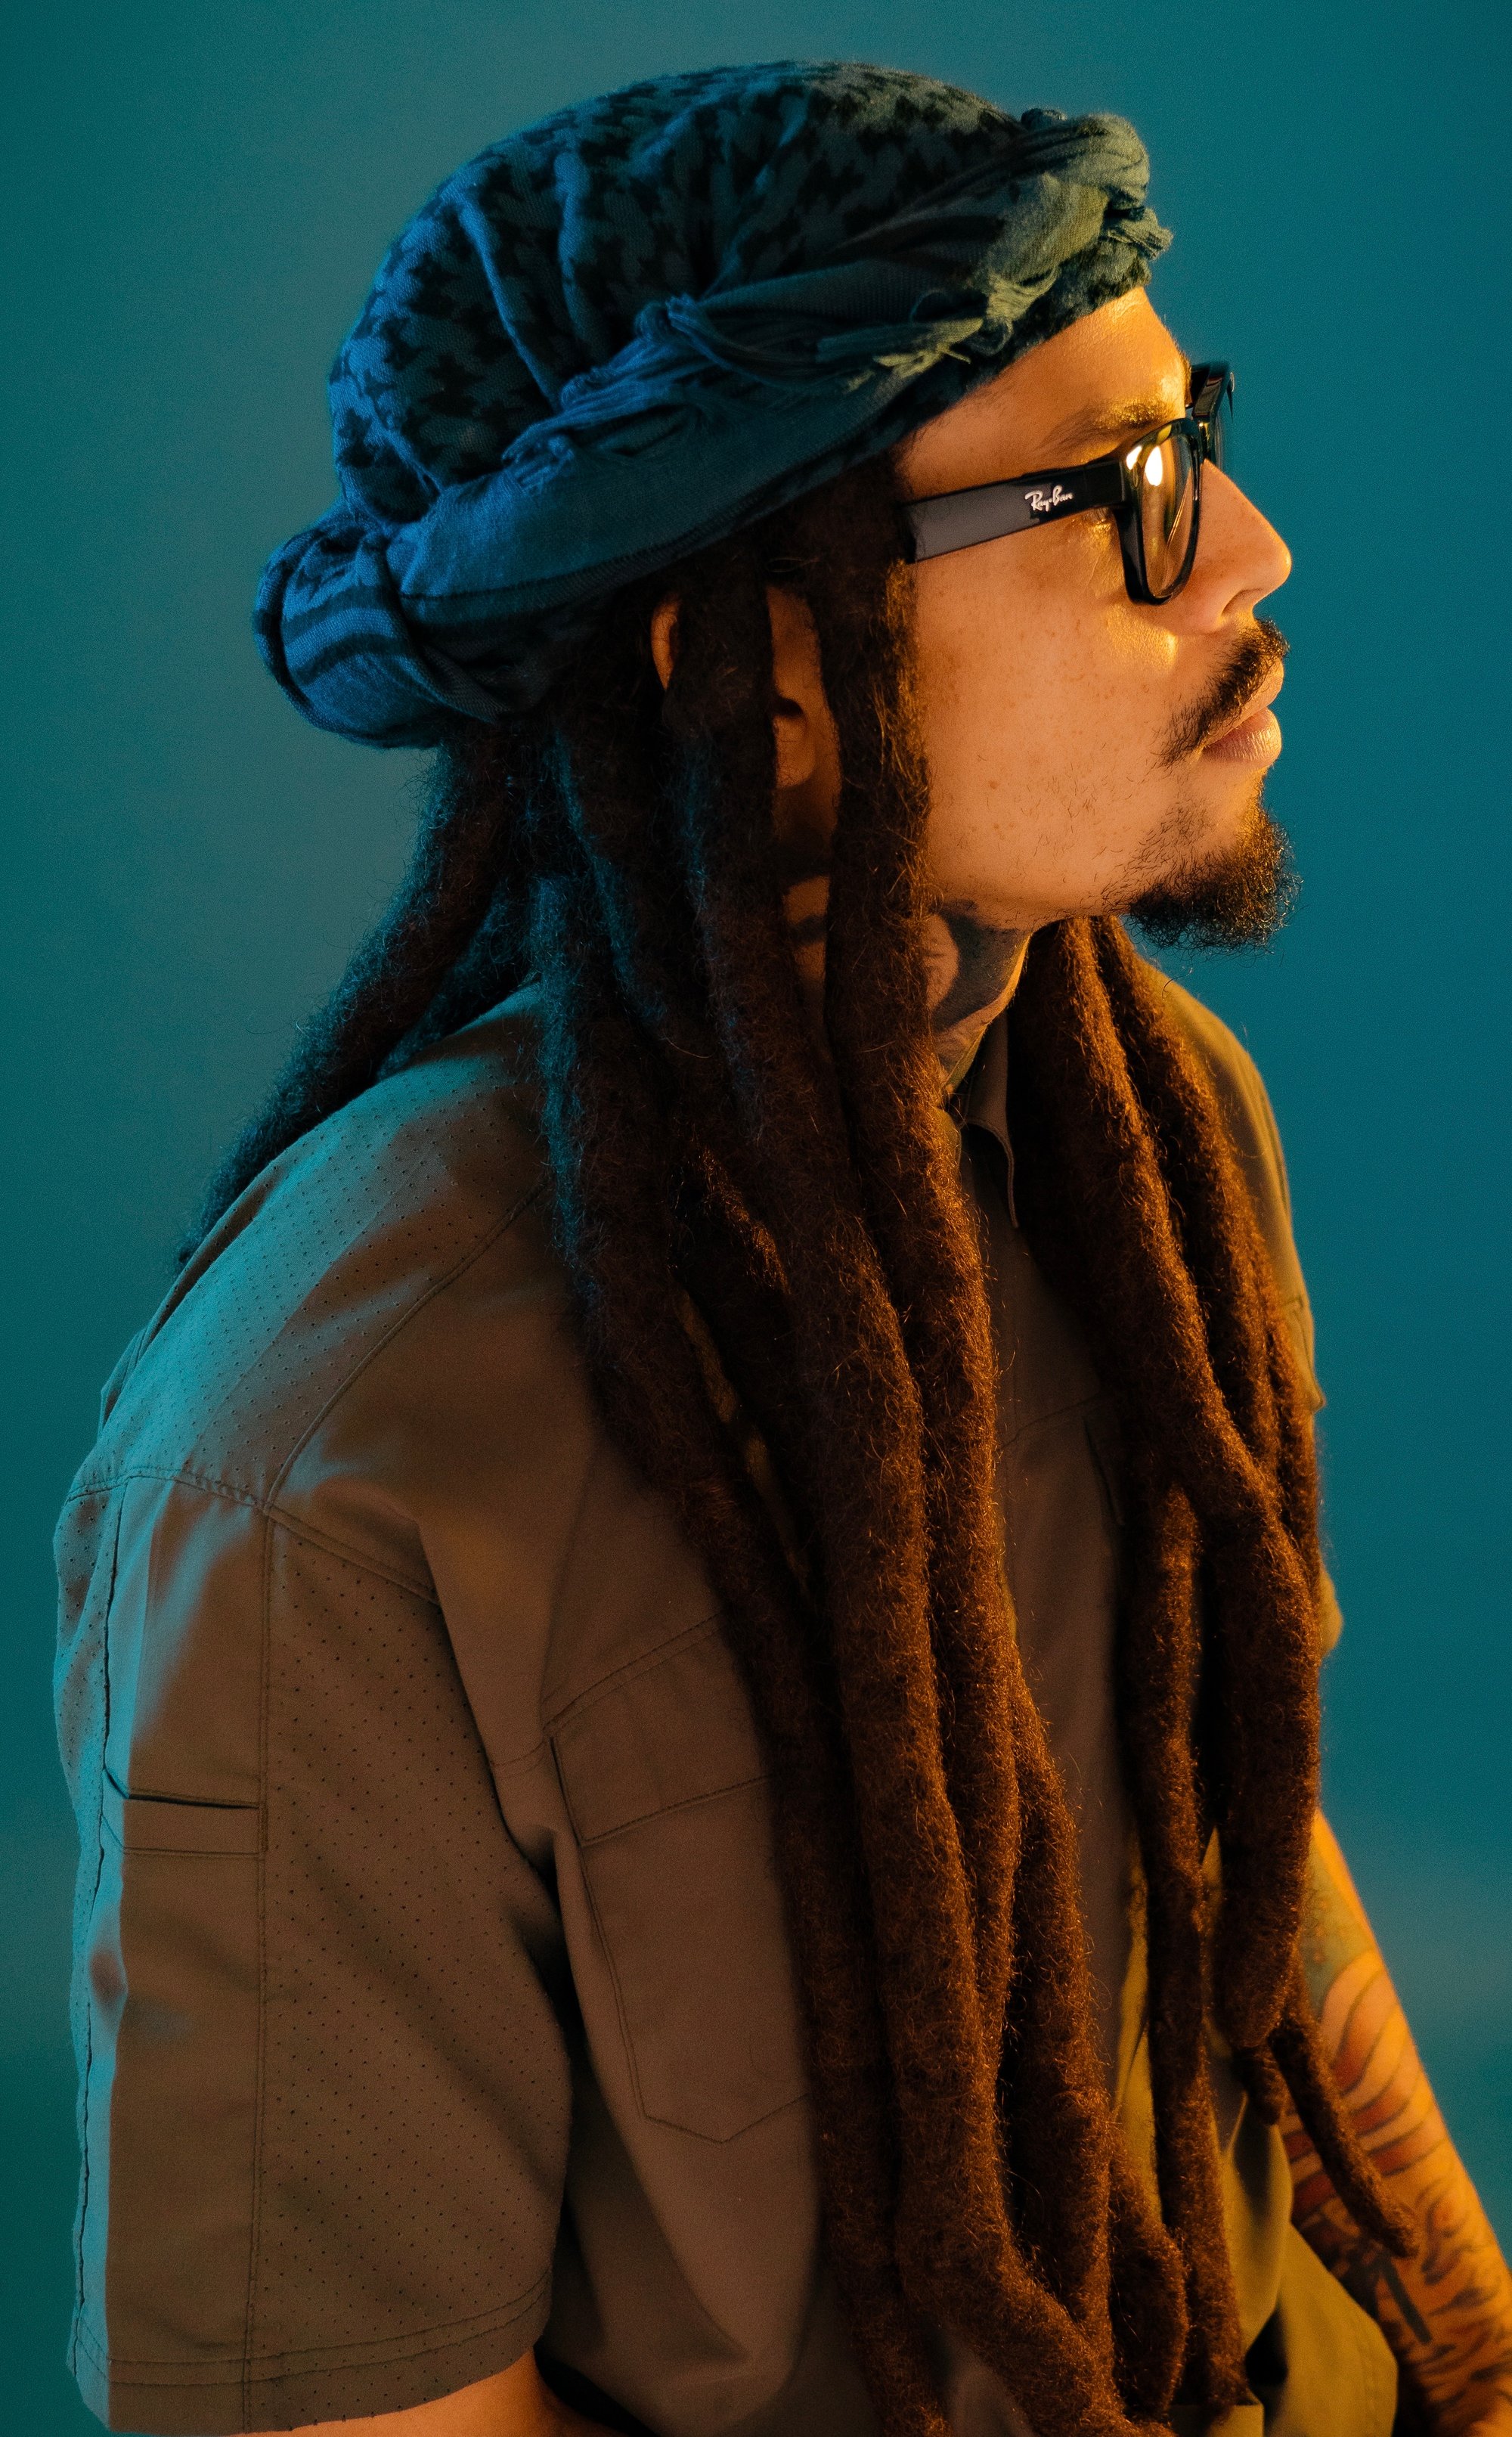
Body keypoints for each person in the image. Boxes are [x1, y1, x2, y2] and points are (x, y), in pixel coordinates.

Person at [54, 59, 1512, 2437]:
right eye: (1123, 492)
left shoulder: (1142, 1129)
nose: (1247, 549)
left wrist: (1475, 2356)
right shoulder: (336, 1461)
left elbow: (1243, 1841)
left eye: (1201, 435)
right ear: (727, 645)